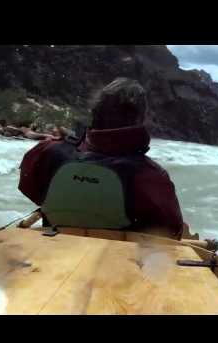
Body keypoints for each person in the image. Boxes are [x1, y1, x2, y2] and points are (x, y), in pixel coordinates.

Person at [18, 77, 184, 239]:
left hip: (54, 248)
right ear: (140, 119)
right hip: (118, 262)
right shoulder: (150, 175)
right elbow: (171, 231)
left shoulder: (48, 151)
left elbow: (28, 188)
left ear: (95, 112)